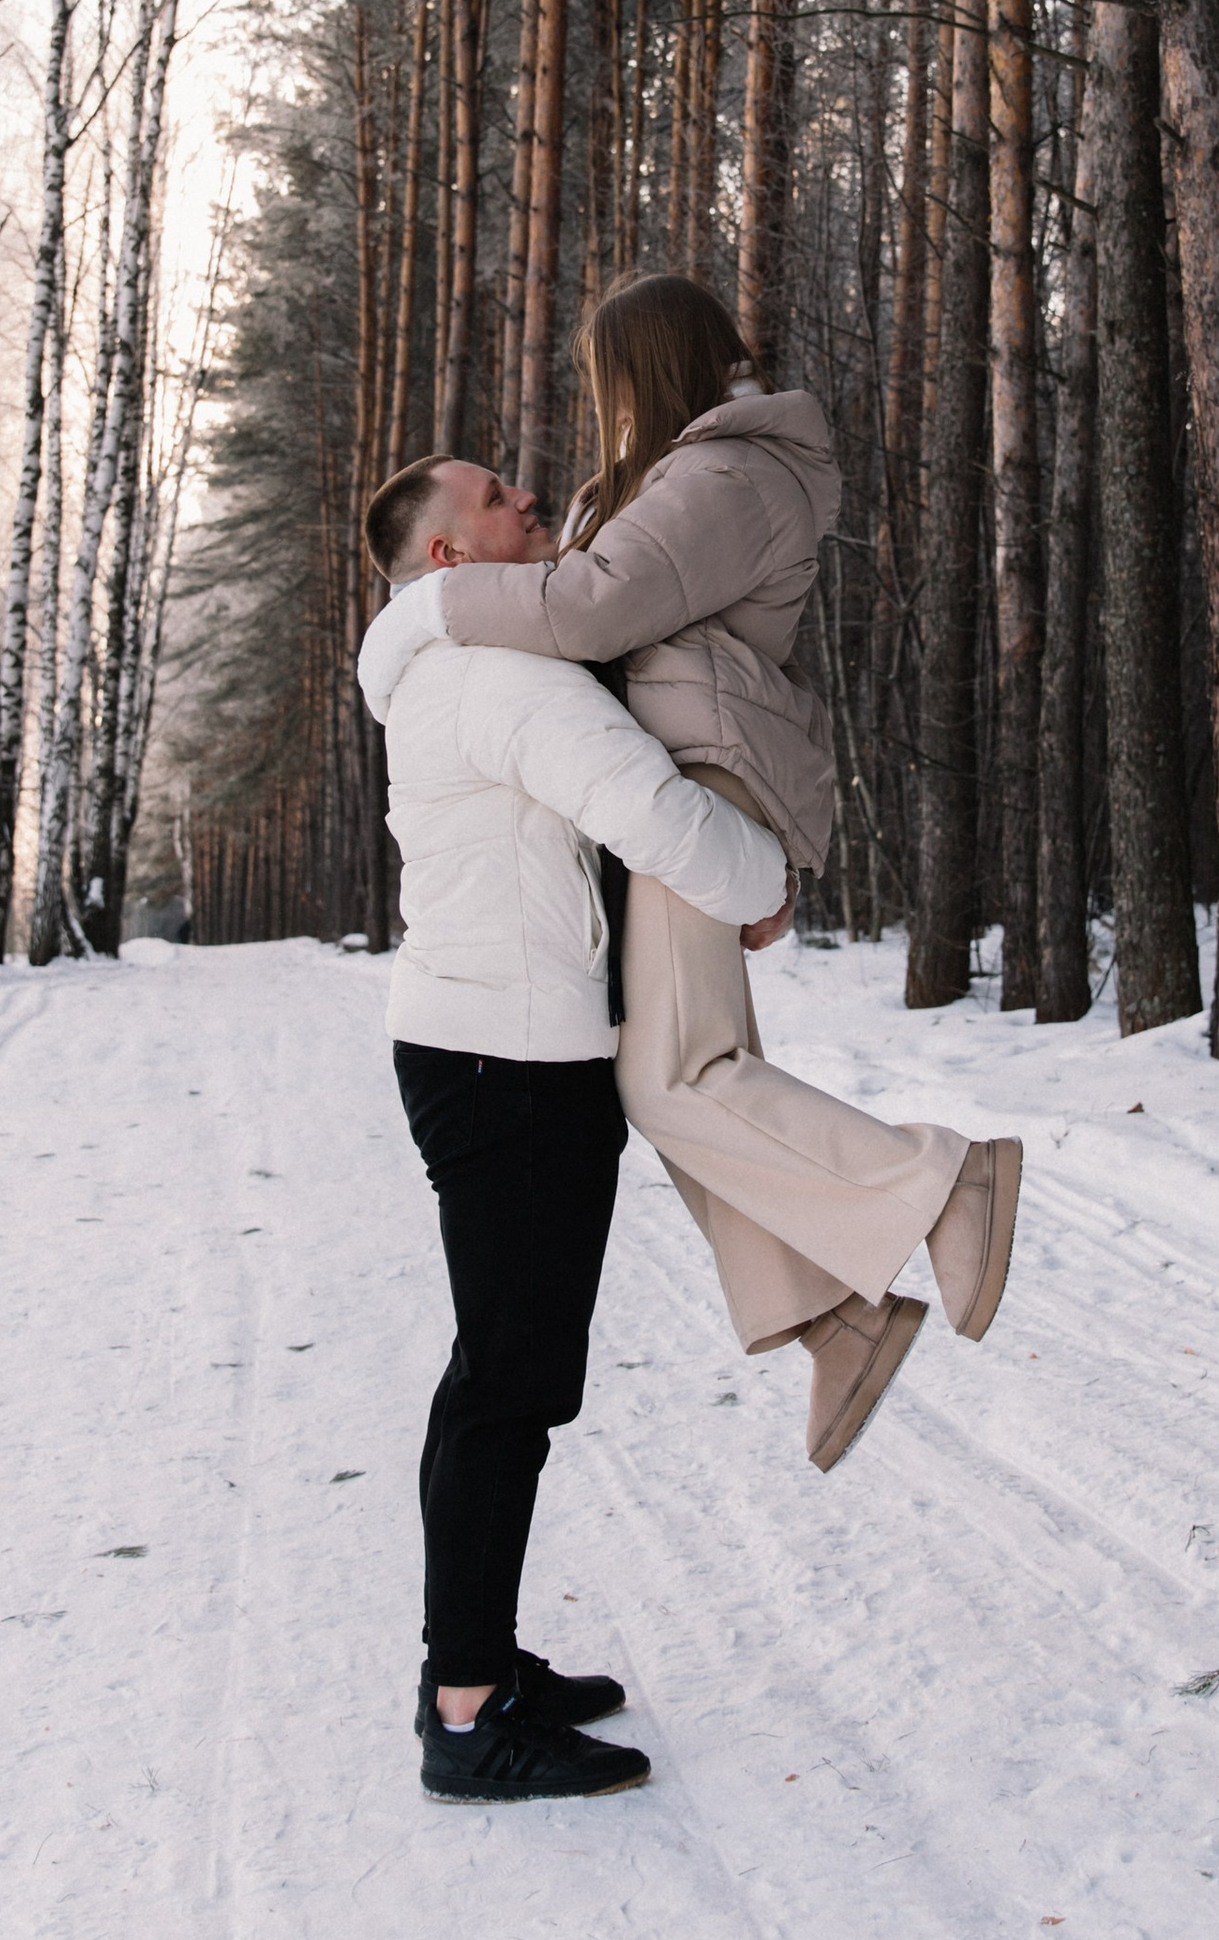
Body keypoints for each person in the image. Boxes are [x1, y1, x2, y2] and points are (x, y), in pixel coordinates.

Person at [357, 276, 1022, 1473]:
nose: (594, 408)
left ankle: (942, 1183)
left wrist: (428, 605)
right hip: (675, 781)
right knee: (679, 1078)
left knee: (675, 1080)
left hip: (703, 779)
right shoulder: (678, 477)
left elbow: (596, 608)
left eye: (606, 377)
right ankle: (834, 1319)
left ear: (644, 368)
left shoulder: (729, 475)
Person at [358, 446, 792, 1806]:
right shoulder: (503, 673)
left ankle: (474, 1662)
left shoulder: (446, 670)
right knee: (507, 1388)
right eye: (494, 499)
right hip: (509, 1062)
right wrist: (768, 881)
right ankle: (469, 1712)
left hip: (487, 1048)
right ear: (446, 557)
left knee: (500, 1379)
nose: (528, 501)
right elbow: (655, 815)